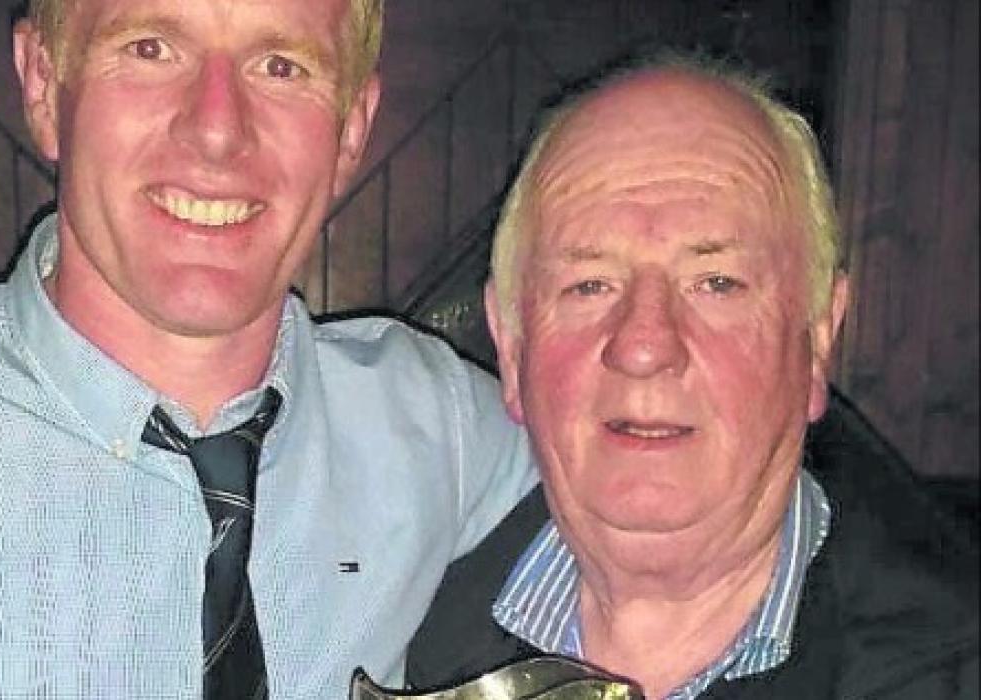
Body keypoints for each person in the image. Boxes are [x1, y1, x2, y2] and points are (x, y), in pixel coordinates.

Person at [0, 0, 536, 696]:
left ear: (351, 130)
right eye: (149, 48)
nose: (216, 129)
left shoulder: (436, 421)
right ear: (43, 84)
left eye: (281, 66)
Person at [405, 56, 979, 699]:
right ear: (512, 348)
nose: (644, 346)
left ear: (817, 337)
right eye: (589, 285)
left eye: (717, 283)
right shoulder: (391, 623)